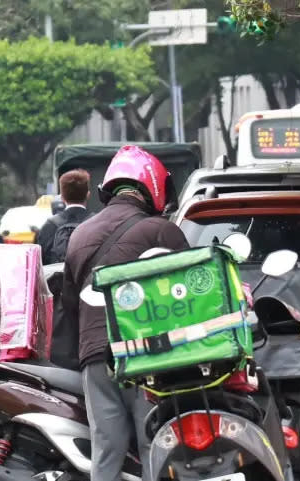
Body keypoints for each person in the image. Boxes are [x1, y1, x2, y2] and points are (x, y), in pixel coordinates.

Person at [61, 145, 189, 481]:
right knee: (155, 444)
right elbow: (190, 295)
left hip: (94, 357)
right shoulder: (162, 231)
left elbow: (70, 305)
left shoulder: (79, 234)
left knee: (107, 450)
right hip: (148, 355)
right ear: (153, 186)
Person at [37, 169, 93, 265]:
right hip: (89, 279)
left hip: (58, 278)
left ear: (62, 197)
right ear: (88, 195)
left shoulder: (50, 225)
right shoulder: (97, 222)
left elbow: (41, 262)